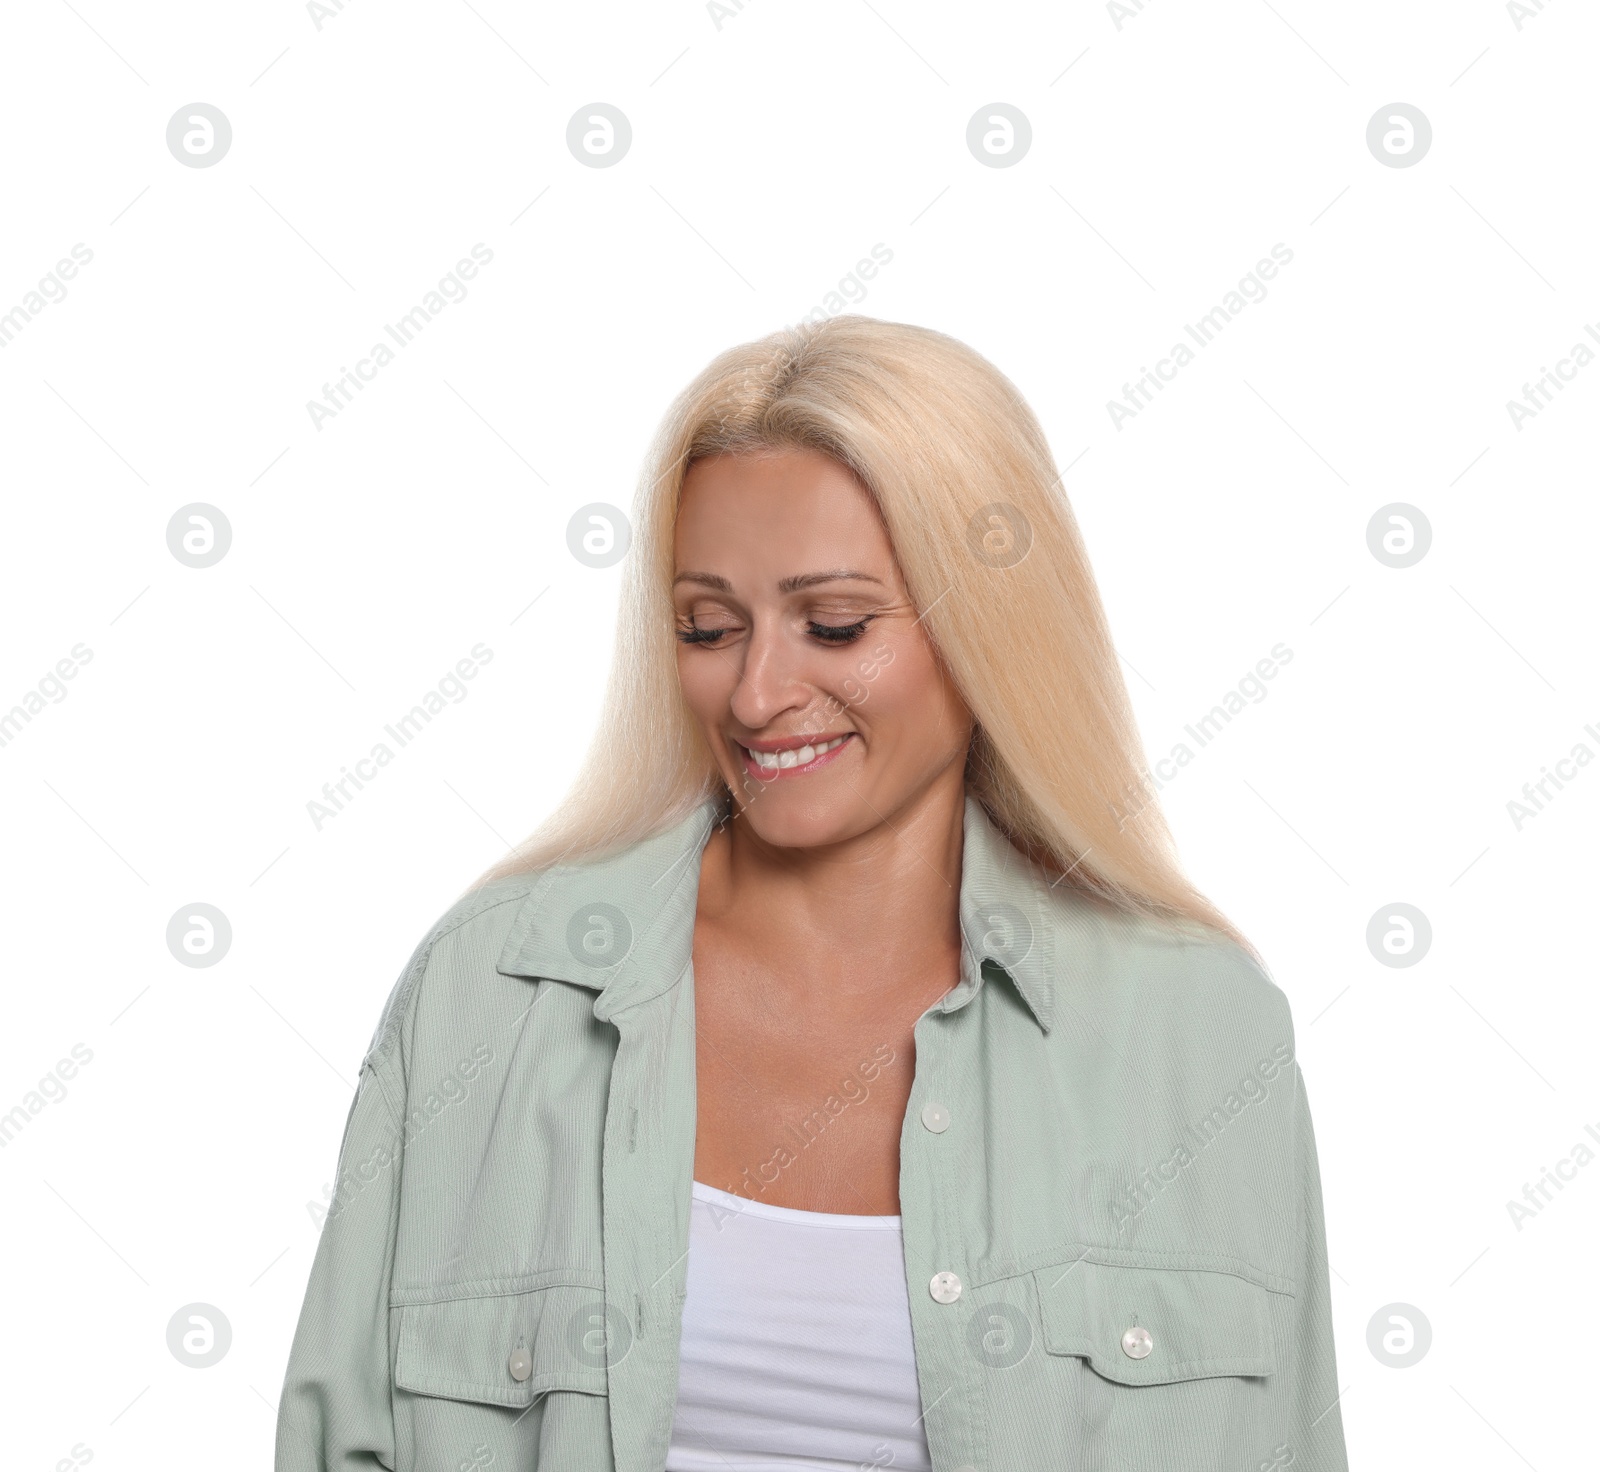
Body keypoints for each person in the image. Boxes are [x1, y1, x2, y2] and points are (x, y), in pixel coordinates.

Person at [275, 315, 1347, 1471]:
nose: (755, 692)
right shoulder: (492, 991)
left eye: (832, 624)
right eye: (707, 626)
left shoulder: (1195, 1033)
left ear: (989, 626)